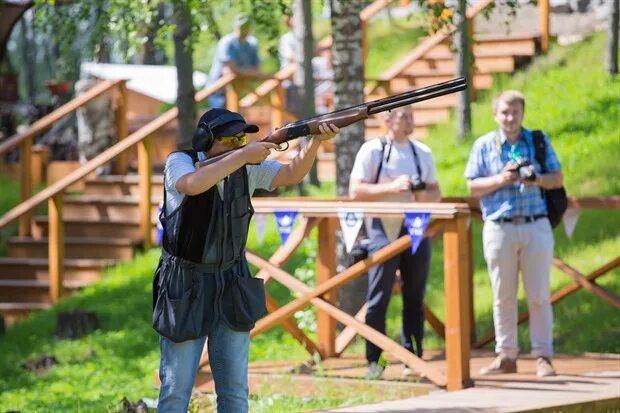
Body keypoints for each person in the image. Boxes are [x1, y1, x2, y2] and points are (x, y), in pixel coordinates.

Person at [153, 107, 339, 412]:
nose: (240, 144)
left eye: (242, 139)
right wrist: (243, 155)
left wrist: (315, 142)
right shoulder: (181, 161)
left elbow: (291, 174)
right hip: (186, 284)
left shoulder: (246, 165)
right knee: (176, 391)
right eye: (231, 140)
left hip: (232, 280)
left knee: (236, 392)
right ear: (205, 140)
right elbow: (192, 185)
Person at [464, 90, 563, 378]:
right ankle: (506, 355)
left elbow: (558, 178)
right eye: (505, 112)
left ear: (522, 114)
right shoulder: (484, 145)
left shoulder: (538, 141)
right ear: (496, 114)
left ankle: (543, 356)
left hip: (535, 224)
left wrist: (536, 179)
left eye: (515, 112)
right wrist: (501, 179)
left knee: (539, 295)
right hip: (499, 227)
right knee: (502, 295)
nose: (510, 118)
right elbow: (472, 187)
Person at [349, 105, 441, 379]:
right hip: (380, 226)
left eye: (412, 115)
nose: (410, 120)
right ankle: (374, 362)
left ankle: (412, 359)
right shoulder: (372, 150)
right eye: (404, 115)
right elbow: (355, 191)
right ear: (387, 120)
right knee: (379, 296)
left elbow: (436, 194)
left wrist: (418, 191)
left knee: (415, 295)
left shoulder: (422, 152)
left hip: (415, 227)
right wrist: (392, 187)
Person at [207, 13, 261, 109]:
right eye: (242, 27)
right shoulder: (226, 42)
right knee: (220, 121)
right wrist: (246, 72)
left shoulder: (252, 44)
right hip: (218, 90)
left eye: (247, 27)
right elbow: (231, 69)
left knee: (235, 119)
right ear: (235, 27)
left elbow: (257, 70)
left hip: (237, 89)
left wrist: (238, 71)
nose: (244, 31)